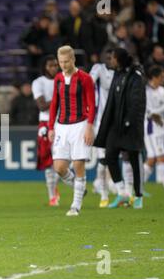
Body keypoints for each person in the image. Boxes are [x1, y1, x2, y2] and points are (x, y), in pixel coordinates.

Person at [94, 48, 146, 209]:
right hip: (115, 127)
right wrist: (106, 123)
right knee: (109, 156)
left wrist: (130, 122)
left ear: (120, 59)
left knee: (134, 159)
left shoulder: (135, 76)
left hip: (130, 127)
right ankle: (122, 192)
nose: (111, 61)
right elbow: (112, 101)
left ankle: (138, 196)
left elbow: (137, 102)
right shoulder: (117, 75)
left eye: (113, 58)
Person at [48, 45, 95, 216]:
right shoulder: (58, 79)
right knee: (59, 167)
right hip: (61, 126)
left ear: (73, 59)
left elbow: (92, 104)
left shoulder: (85, 78)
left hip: (80, 124)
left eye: (66, 61)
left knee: (78, 164)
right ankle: (79, 187)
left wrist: (89, 127)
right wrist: (51, 127)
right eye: (61, 62)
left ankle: (75, 206)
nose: (63, 65)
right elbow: (54, 103)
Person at [143, 65, 164, 197]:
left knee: (151, 159)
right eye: (161, 77)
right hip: (151, 128)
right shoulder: (146, 92)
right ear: (154, 77)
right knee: (161, 157)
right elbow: (149, 113)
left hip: (161, 126)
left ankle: (138, 188)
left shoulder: (163, 90)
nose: (163, 79)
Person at [31, 55, 61, 206]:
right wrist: (60, 96)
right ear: (44, 67)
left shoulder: (62, 79)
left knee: (61, 159)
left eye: (56, 65)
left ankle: (55, 190)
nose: (54, 68)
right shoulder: (38, 82)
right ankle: (52, 195)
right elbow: (42, 105)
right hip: (45, 122)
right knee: (48, 159)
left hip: (62, 122)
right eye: (50, 65)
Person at [89, 49, 115, 208]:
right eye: (107, 57)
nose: (109, 60)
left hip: (115, 121)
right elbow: (89, 81)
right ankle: (104, 192)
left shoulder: (120, 72)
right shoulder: (98, 69)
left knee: (114, 155)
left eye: (112, 58)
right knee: (103, 158)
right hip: (99, 121)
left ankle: (106, 183)